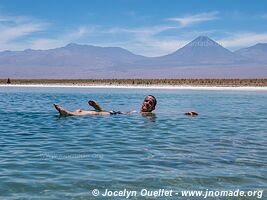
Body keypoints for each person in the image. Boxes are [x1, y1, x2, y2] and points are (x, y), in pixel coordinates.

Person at [54, 95, 157, 117]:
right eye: (146, 101)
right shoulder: (140, 113)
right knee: (95, 113)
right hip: (116, 114)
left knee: (88, 113)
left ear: (153, 108)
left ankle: (69, 113)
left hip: (116, 117)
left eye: (150, 103)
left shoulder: (149, 116)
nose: (147, 103)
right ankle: (98, 108)